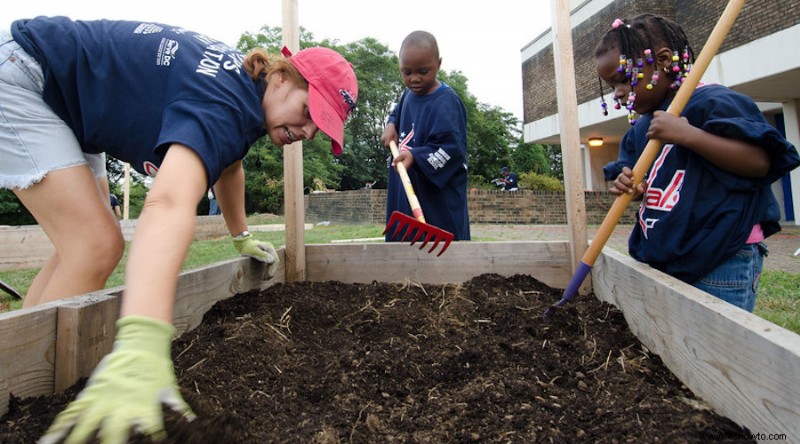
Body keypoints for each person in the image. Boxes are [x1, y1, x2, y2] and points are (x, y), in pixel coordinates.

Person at [1, 16, 357, 443]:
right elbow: (168, 202)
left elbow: (229, 165)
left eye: (321, 127)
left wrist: (240, 233)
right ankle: (21, 402)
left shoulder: (245, 93)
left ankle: (13, 378)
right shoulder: (224, 104)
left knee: (82, 245)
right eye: (308, 112)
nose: (309, 130)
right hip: (25, 74)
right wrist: (142, 341)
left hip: (68, 99)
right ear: (280, 78)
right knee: (94, 244)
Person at [596, 14, 799, 312]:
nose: (619, 93)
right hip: (670, 251)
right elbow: (633, 177)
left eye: (624, 79)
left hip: (722, 256)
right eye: (612, 86)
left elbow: (759, 163)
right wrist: (629, 185)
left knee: (717, 347)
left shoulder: (714, 103)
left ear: (664, 60)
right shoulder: (641, 129)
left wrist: (689, 135)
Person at [380, 30, 470, 241]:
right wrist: (391, 125)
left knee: (440, 247)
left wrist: (415, 157)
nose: (415, 79)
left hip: (436, 196)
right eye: (407, 72)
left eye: (423, 71)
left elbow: (452, 148)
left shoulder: (446, 102)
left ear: (438, 64)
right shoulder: (407, 96)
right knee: (405, 243)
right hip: (408, 185)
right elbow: (396, 114)